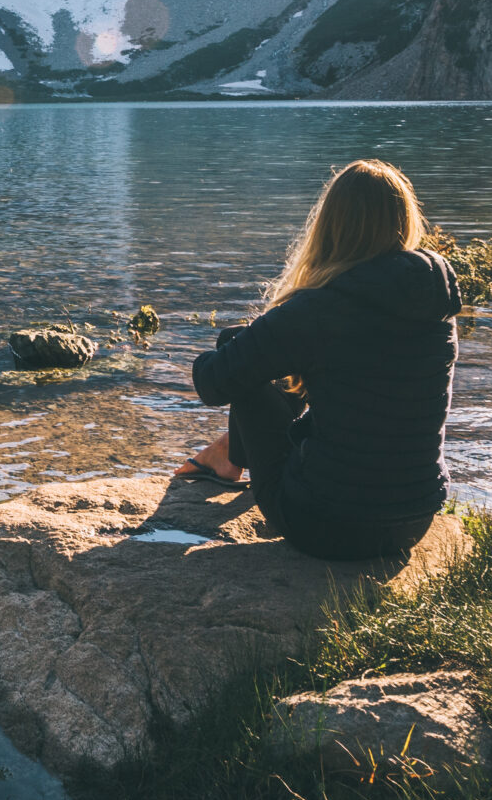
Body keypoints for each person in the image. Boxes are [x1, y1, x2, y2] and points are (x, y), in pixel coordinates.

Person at [172, 159, 459, 560]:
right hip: (413, 521)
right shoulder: (434, 302)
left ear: (330, 224)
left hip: (325, 524)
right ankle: (228, 456)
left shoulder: (320, 309)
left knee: (236, 352)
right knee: (270, 357)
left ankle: (229, 457)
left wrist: (225, 349)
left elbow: (213, 383)